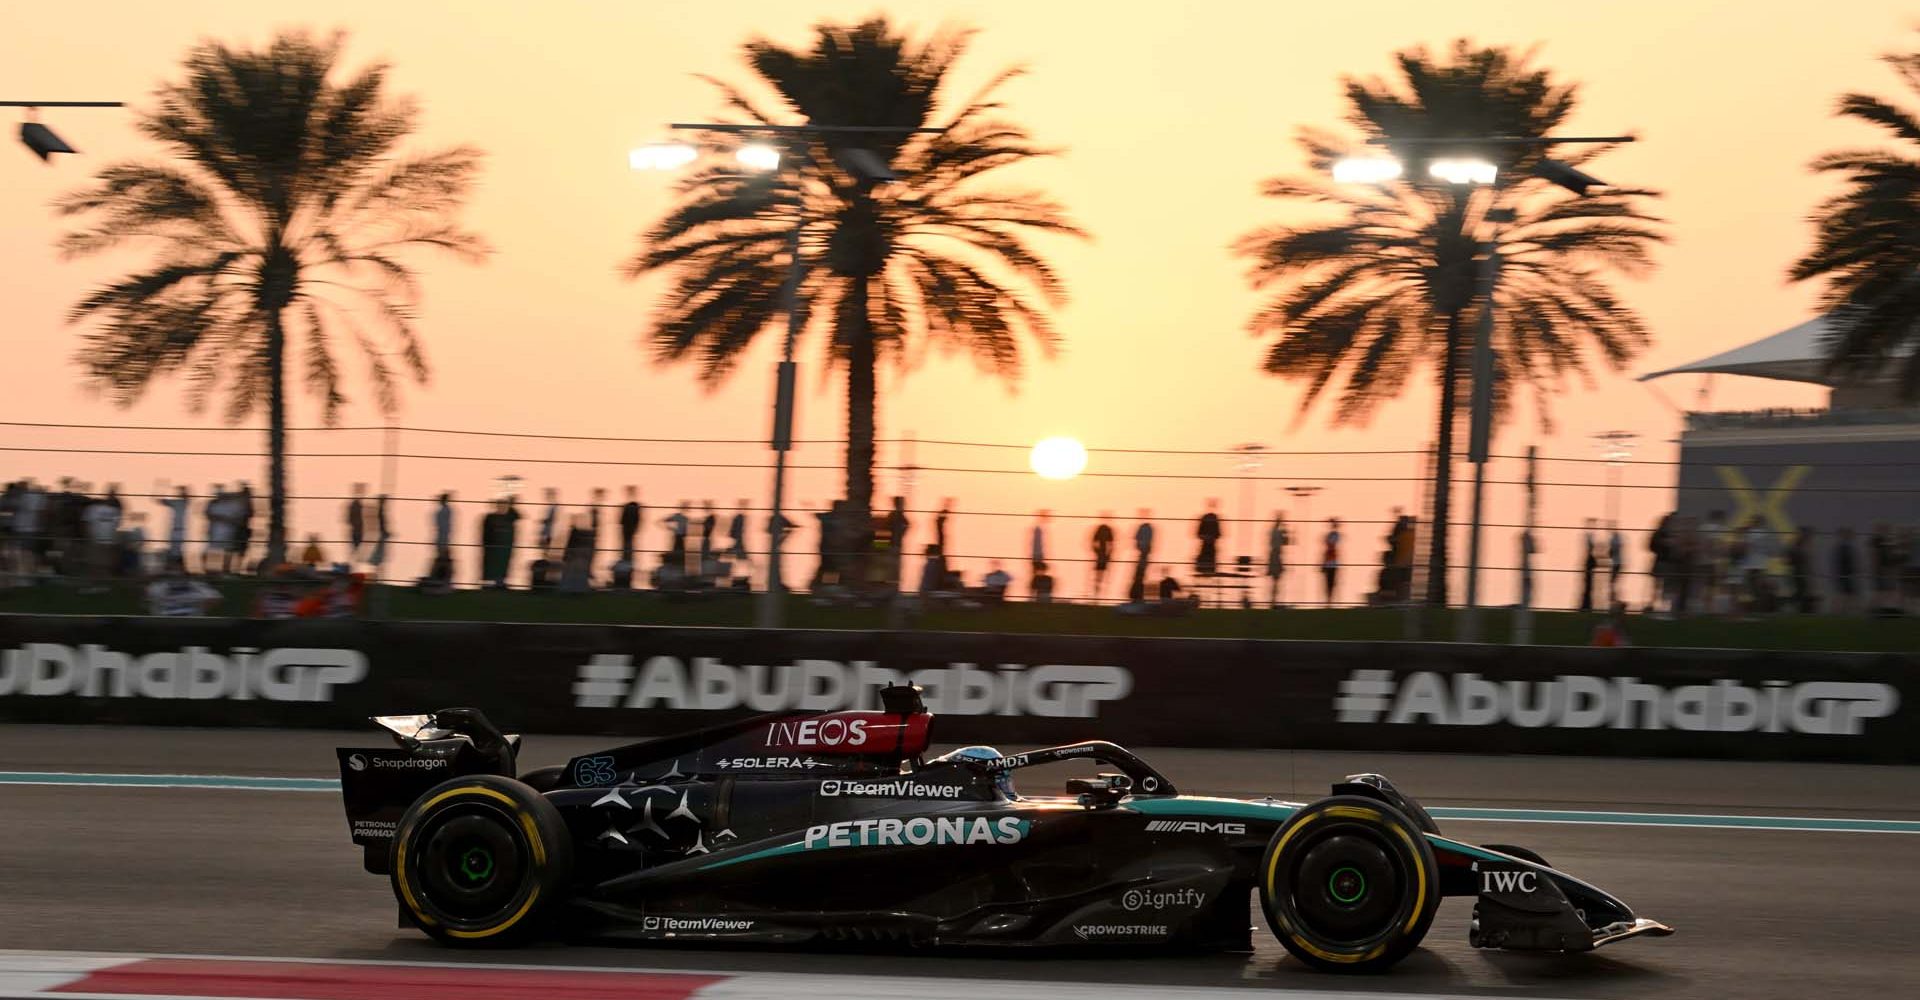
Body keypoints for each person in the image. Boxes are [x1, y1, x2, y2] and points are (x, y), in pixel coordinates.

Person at [146, 560, 220, 616]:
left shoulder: (197, 585)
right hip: (165, 624)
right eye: (173, 569)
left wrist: (197, 611)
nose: (176, 572)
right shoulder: (158, 587)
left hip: (191, 624)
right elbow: (149, 596)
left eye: (180, 569)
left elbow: (214, 598)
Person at [157, 483, 191, 568]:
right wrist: (162, 487)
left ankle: (181, 569)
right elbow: (159, 500)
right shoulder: (175, 502)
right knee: (172, 551)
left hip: (181, 530)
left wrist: (182, 489)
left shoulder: (185, 502)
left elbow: (187, 496)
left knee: (178, 551)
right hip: (173, 530)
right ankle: (171, 568)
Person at [1787, 525, 1815, 614]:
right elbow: (1794, 558)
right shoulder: (1796, 544)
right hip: (1797, 571)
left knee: (1802, 590)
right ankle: (1796, 606)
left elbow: (1805, 559)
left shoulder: (1799, 544)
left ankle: (1801, 609)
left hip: (1799, 571)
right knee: (1801, 590)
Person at [1264, 512, 1289, 607]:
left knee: (1276, 580)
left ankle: (1273, 600)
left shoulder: (1275, 531)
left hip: (1276, 555)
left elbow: (1285, 542)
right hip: (1275, 555)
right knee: (1275, 580)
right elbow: (1284, 542)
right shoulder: (1276, 532)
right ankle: (1273, 600)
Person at [1832, 526, 1859, 615]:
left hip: (1845, 575)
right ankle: (1840, 611)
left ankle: (1843, 611)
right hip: (1845, 575)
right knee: (1844, 594)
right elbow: (1843, 563)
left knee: (1846, 594)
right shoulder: (1843, 547)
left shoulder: (1843, 547)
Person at [1131, 510, 1155, 603]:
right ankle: (1137, 596)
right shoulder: (1146, 528)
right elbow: (1137, 540)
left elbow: (1138, 541)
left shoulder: (1147, 529)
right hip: (1142, 556)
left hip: (1143, 556)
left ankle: (1137, 596)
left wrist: (1142, 548)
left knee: (1139, 576)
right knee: (1139, 576)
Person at [1090, 515, 1115, 600]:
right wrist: (1098, 552)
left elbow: (1111, 544)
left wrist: (1107, 554)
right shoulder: (1103, 529)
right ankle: (1098, 594)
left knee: (1101, 575)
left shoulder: (1106, 529)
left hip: (1103, 555)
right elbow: (1094, 542)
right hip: (1101, 555)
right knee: (1100, 575)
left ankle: (1100, 594)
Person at [1195, 500, 1221, 577]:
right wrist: (1210, 538)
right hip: (1208, 547)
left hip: (1207, 547)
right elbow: (1218, 534)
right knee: (1208, 567)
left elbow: (1199, 533)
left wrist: (1207, 537)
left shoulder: (1207, 518)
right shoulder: (1214, 518)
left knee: (1206, 567)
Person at [1578, 519, 1600, 612]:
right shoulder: (1588, 539)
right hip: (1588, 564)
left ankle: (1586, 605)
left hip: (1588, 564)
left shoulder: (1589, 556)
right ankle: (1586, 605)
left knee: (1588, 587)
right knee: (1588, 586)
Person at [344, 483, 368, 569]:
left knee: (356, 552)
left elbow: (348, 520)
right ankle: (353, 569)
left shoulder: (359, 506)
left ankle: (354, 569)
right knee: (355, 552)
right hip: (356, 532)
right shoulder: (356, 506)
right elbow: (349, 519)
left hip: (358, 532)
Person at [368, 494, 391, 579]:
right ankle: (376, 577)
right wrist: (385, 532)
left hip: (378, 537)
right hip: (379, 537)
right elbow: (381, 525)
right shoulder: (379, 511)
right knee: (378, 558)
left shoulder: (378, 510)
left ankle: (376, 576)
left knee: (378, 558)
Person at [619, 487, 643, 567]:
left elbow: (637, 519)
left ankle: (628, 560)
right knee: (627, 545)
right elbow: (622, 520)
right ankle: (627, 560)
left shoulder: (633, 506)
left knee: (628, 545)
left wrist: (635, 528)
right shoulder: (630, 506)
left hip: (629, 529)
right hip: (627, 529)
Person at [1320, 518, 1341, 607]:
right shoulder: (1330, 535)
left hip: (1332, 562)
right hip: (1328, 562)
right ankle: (1328, 601)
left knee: (1331, 583)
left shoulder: (1335, 535)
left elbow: (1331, 544)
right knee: (1327, 583)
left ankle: (1330, 601)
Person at [1606, 522, 1625, 607]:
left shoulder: (1615, 538)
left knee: (1613, 582)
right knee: (1613, 582)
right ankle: (1614, 598)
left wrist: (1610, 551)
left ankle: (1615, 598)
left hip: (1616, 563)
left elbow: (1613, 550)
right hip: (1616, 563)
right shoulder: (1616, 538)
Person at [1030, 511, 1049, 580]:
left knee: (1038, 576)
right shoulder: (1038, 529)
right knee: (1037, 576)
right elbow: (1037, 544)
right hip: (1038, 556)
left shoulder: (1039, 529)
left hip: (1038, 556)